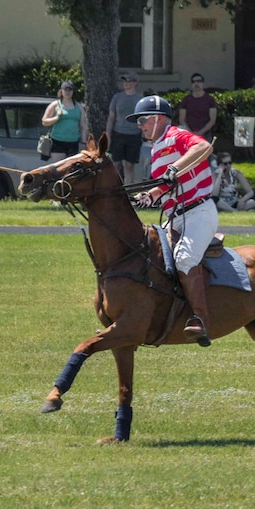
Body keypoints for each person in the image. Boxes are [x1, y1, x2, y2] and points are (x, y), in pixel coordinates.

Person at [128, 94, 217, 346]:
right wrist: (149, 195)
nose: (140, 126)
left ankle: (200, 318)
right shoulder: (156, 149)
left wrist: (173, 170)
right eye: (138, 122)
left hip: (198, 212)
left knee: (185, 258)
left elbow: (204, 148)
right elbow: (167, 185)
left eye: (143, 120)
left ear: (158, 119)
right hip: (174, 217)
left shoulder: (175, 135)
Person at [105, 73, 144, 184]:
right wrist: (108, 135)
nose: (126, 83)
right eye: (124, 81)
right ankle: (117, 187)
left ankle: (128, 188)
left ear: (135, 83)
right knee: (116, 163)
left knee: (129, 164)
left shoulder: (140, 99)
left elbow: (143, 118)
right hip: (118, 133)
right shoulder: (117, 97)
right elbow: (111, 117)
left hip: (134, 135)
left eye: (129, 81)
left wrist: (144, 134)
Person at [41, 80, 84, 156]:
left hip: (73, 142)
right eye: (65, 89)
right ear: (61, 91)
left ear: (73, 91)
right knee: (58, 167)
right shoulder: (55, 105)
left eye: (70, 90)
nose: (67, 92)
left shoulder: (79, 107)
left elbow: (83, 126)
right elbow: (44, 122)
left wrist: (84, 142)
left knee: (72, 167)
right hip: (57, 141)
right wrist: (57, 117)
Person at [177, 73, 218, 140]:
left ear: (203, 83)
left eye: (199, 81)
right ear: (191, 85)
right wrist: (191, 133)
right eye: (193, 82)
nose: (196, 83)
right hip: (188, 136)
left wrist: (200, 133)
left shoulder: (210, 100)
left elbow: (212, 120)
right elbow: (182, 119)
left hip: (205, 135)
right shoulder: (186, 100)